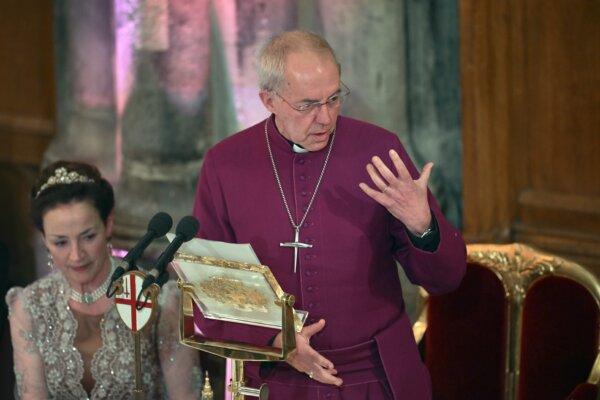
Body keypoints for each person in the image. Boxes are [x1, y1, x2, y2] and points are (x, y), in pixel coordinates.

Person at [193, 30, 466, 399]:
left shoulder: (378, 150)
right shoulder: (227, 164)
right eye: (307, 105)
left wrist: (424, 227)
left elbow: (447, 279)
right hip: (277, 379)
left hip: (373, 376)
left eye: (334, 99)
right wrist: (280, 342)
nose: (325, 118)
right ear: (268, 99)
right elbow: (211, 290)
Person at [6, 161, 201, 399]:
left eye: (88, 237)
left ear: (108, 224)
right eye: (60, 242)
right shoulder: (28, 307)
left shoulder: (159, 300)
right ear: (44, 240)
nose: (76, 255)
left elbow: (186, 396)